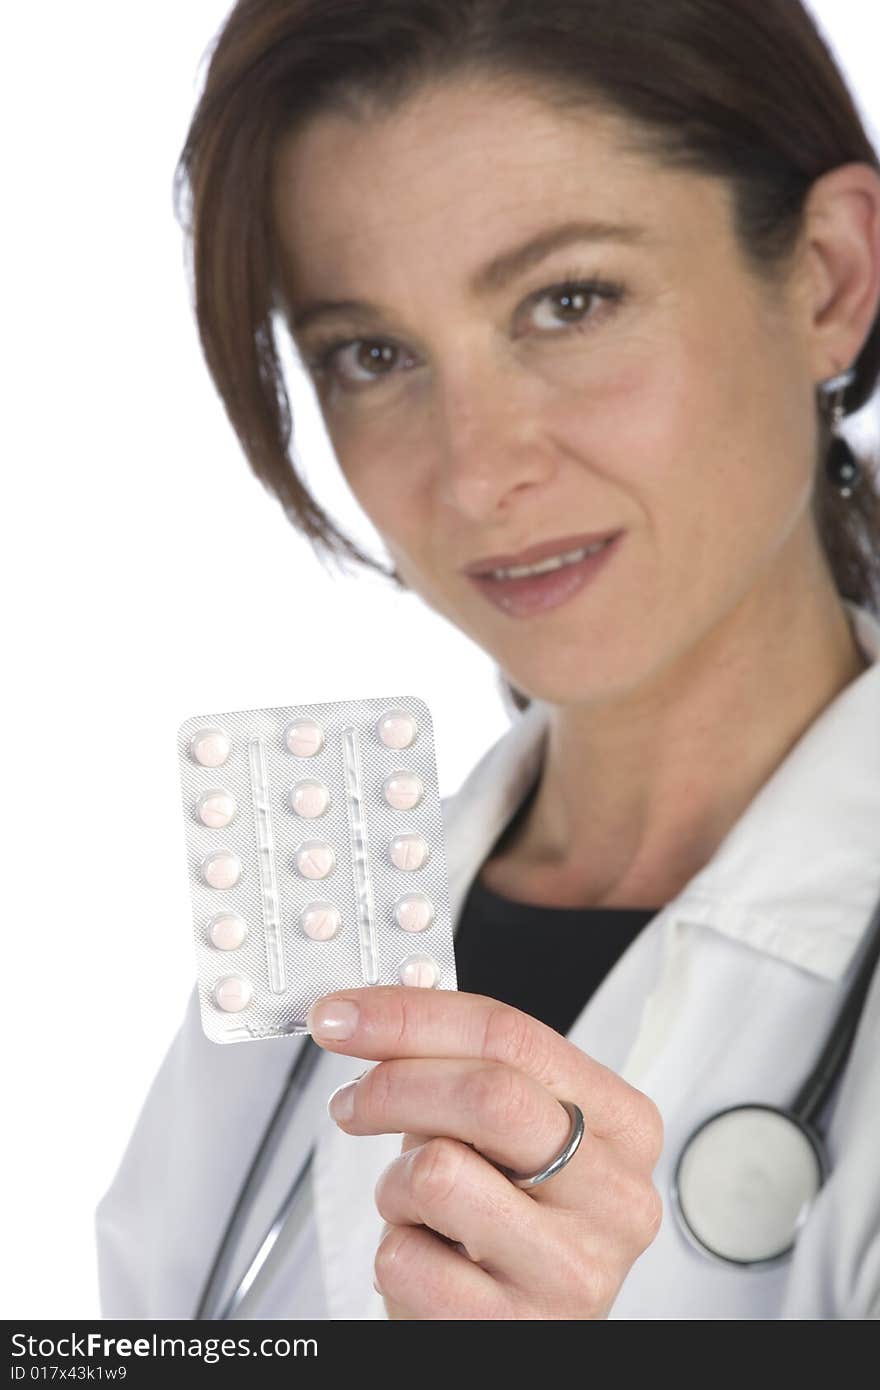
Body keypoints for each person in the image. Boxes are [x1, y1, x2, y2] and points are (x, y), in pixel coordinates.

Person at [96, 0, 880, 1319]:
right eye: (371, 353)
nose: (474, 471)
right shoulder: (306, 954)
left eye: (569, 301)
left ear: (829, 278)